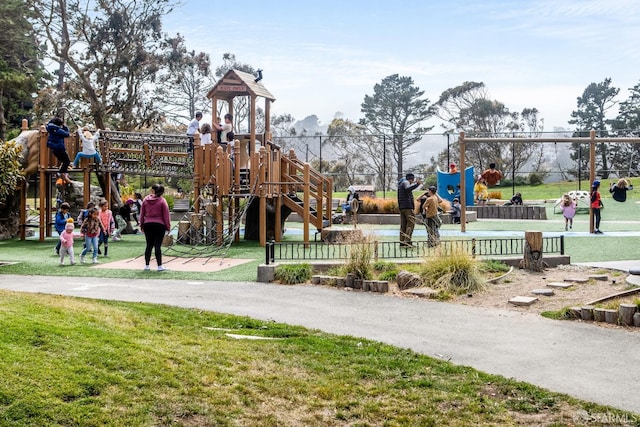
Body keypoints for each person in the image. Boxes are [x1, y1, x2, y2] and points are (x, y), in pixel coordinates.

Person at [140, 183, 171, 271]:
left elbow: (142, 213)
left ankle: (147, 266)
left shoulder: (145, 200)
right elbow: (166, 215)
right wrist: (168, 226)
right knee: (158, 245)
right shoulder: (162, 201)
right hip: (159, 225)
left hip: (148, 224)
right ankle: (159, 266)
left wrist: (141, 224)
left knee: (149, 245)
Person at [397, 173, 421, 247]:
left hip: (402, 207)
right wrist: (417, 185)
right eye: (412, 180)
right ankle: (407, 241)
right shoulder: (406, 182)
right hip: (407, 206)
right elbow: (408, 189)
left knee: (403, 225)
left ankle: (402, 241)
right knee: (411, 224)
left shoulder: (401, 183)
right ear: (411, 179)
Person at [46, 117, 71, 183]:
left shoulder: (49, 128)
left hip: (53, 148)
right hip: (59, 147)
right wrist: (65, 127)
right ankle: (60, 173)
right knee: (67, 161)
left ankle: (64, 173)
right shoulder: (58, 129)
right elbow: (67, 134)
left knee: (64, 161)